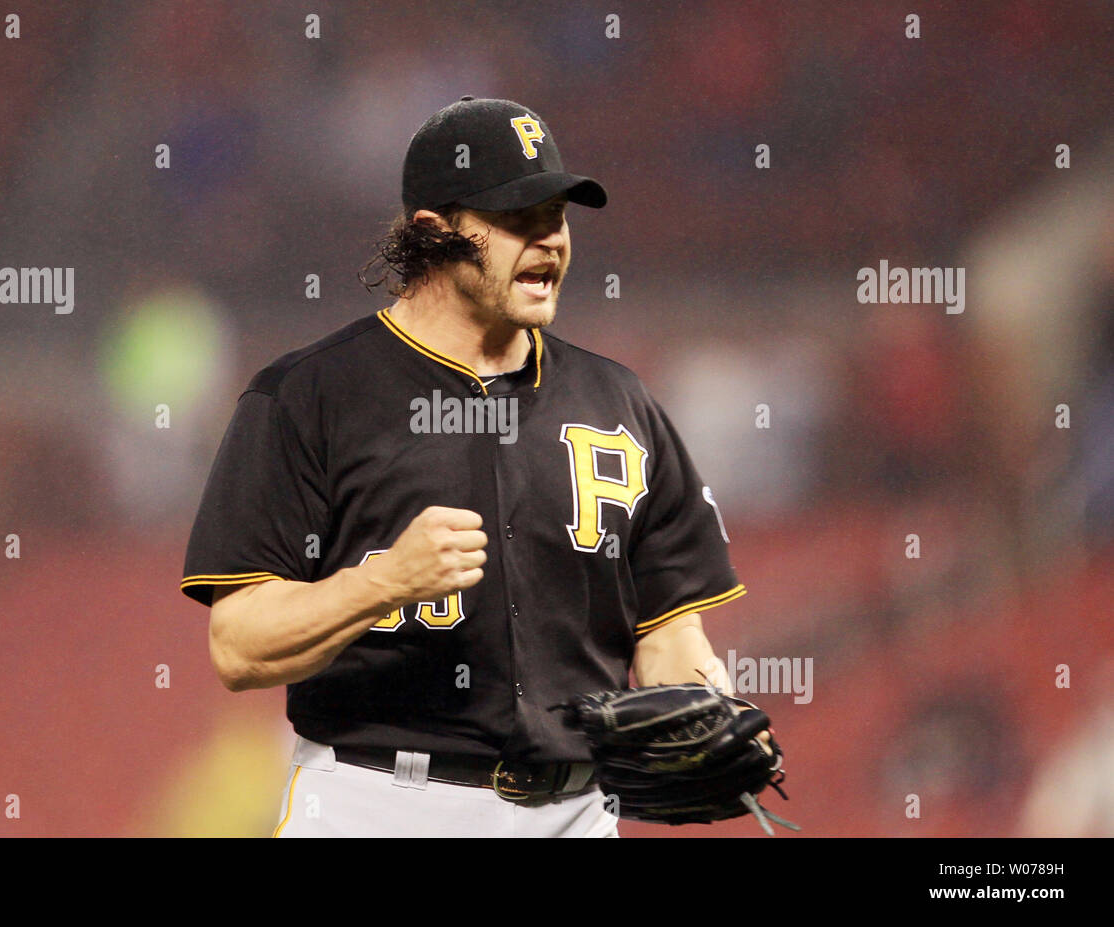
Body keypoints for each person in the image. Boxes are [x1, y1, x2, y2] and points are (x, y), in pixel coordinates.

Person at [181, 97, 748, 837]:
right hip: (378, 801)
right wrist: (380, 582)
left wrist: (705, 703)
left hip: (575, 811)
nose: (549, 241)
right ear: (432, 233)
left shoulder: (620, 402)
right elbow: (239, 644)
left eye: (559, 216)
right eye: (519, 218)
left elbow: (670, 631)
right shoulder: (307, 398)